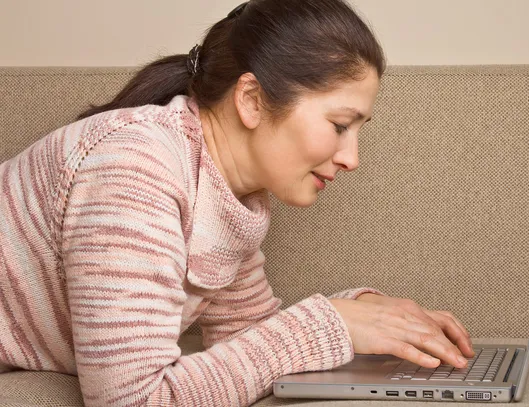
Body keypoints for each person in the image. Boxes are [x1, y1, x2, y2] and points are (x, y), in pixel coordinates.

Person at [0, 0, 474, 406]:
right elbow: (132, 401)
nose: (352, 158)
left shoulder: (228, 193)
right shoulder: (134, 167)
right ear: (250, 99)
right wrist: (331, 324)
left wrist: (367, 318)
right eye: (338, 125)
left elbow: (249, 343)